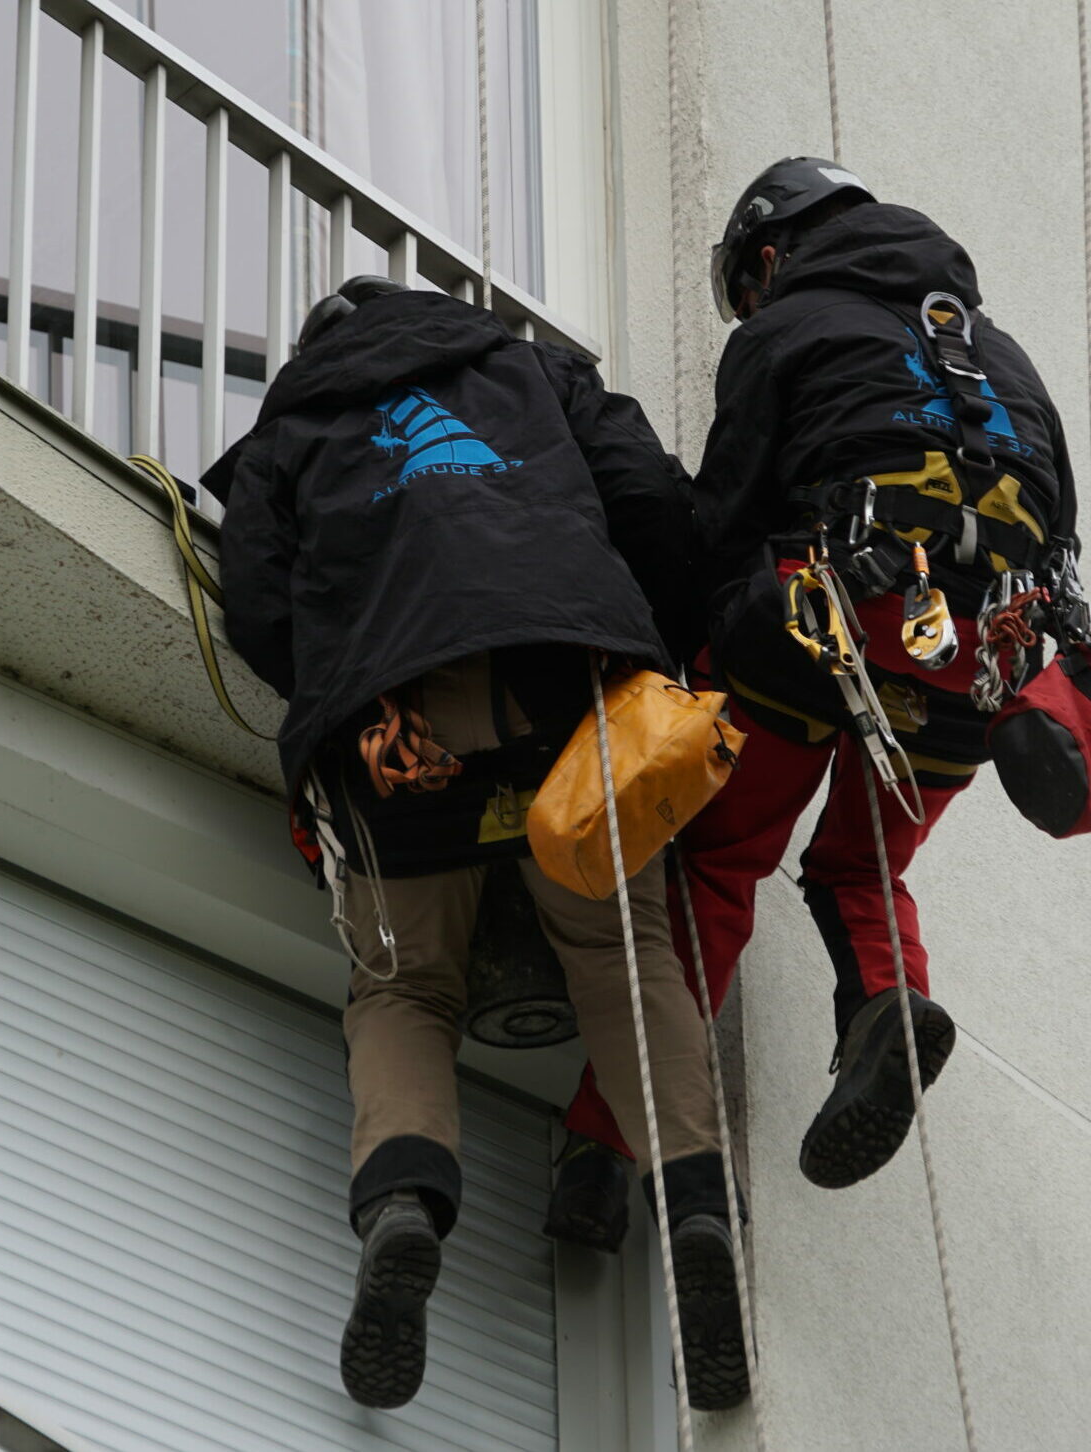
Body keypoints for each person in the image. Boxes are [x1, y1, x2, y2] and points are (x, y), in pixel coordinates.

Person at [206, 275, 748, 1412]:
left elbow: (255, 603)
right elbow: (649, 500)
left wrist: (350, 691)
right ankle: (695, 1207)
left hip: (399, 723)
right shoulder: (532, 368)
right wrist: (632, 629)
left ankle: (403, 1203)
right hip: (562, 680)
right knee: (627, 952)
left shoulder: (291, 427)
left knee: (405, 987)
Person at [547, 158, 1081, 1238]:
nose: (749, 304)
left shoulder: (786, 330)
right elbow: (1059, 535)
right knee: (864, 862)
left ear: (771, 253)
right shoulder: (1012, 363)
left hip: (819, 620)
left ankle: (605, 1150)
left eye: (748, 282)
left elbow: (726, 515)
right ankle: (888, 1004)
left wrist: (674, 644)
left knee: (720, 862)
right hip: (985, 659)